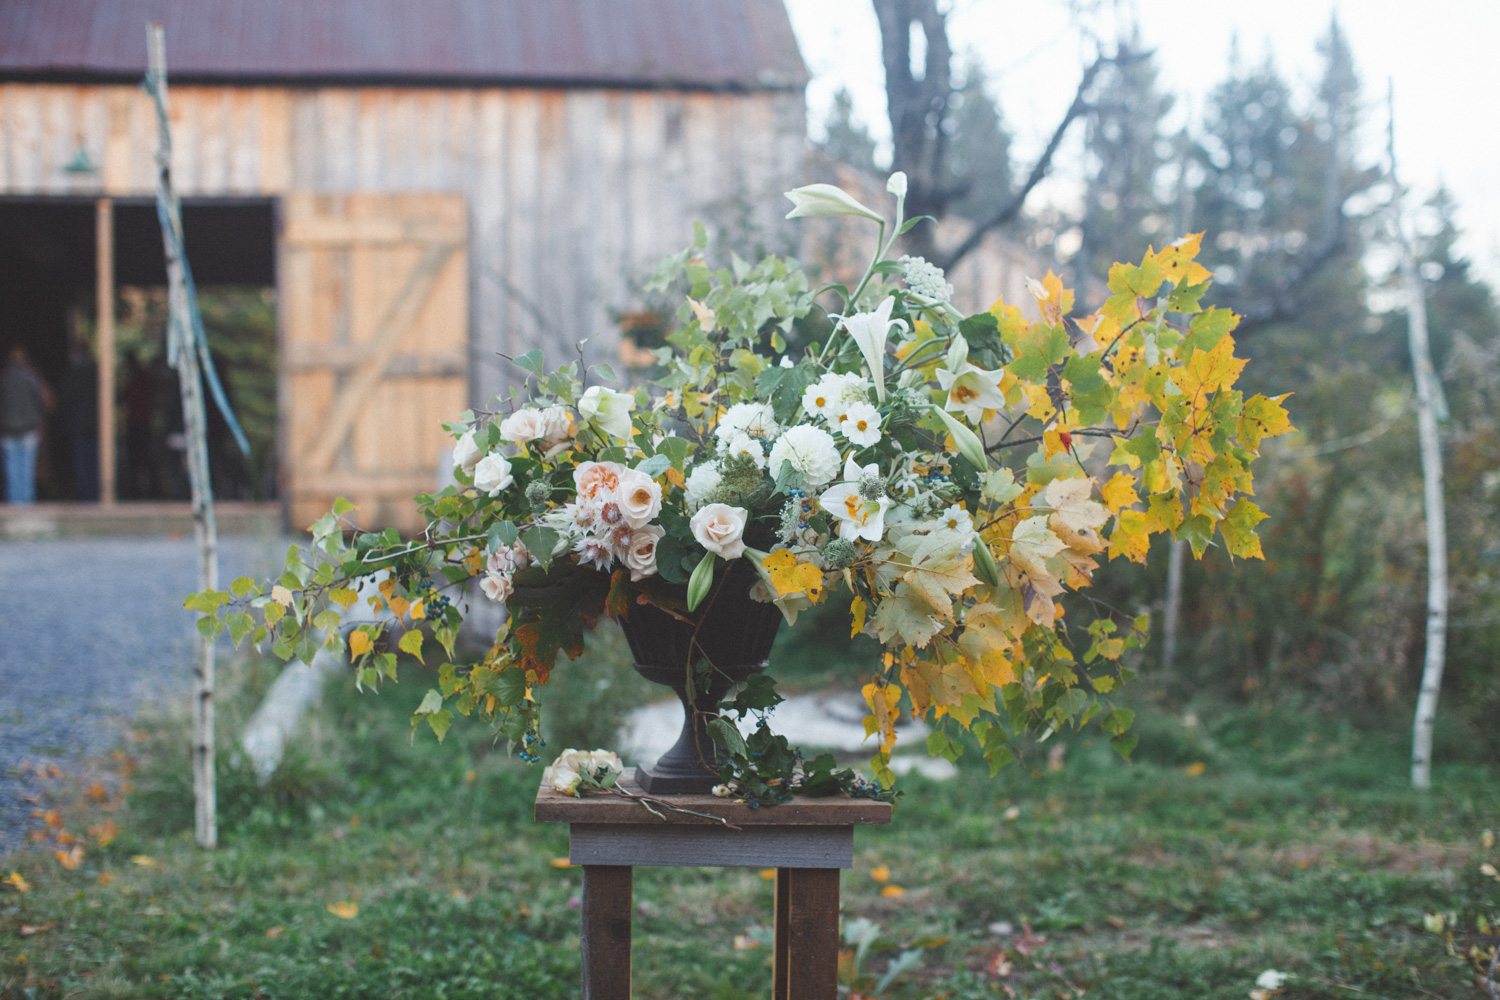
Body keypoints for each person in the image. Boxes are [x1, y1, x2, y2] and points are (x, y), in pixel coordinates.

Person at [0, 346, 54, 504]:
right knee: (27, 471)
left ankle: (15, 504)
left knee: (12, 471)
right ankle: (27, 505)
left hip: (8, 430)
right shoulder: (33, 378)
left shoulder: (3, 379)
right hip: (29, 429)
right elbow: (48, 402)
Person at [59, 336, 100, 501]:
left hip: (80, 424)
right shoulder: (96, 371)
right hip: (95, 423)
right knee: (94, 462)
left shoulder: (73, 373)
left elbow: (65, 398)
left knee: (83, 463)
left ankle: (87, 498)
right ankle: (95, 495)